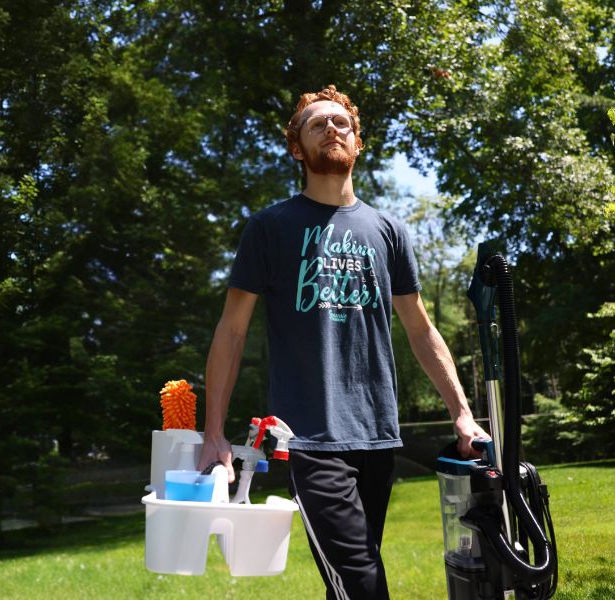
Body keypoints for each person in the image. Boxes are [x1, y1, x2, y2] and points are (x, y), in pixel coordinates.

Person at [197, 84, 489, 599]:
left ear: (357, 143)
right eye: (318, 124)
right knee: (362, 583)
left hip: (377, 436)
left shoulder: (388, 230)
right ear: (297, 149)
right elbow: (231, 330)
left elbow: (421, 329)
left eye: (342, 124)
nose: (333, 129)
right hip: (307, 438)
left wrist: (462, 414)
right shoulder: (270, 228)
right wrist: (213, 432)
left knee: (350, 582)